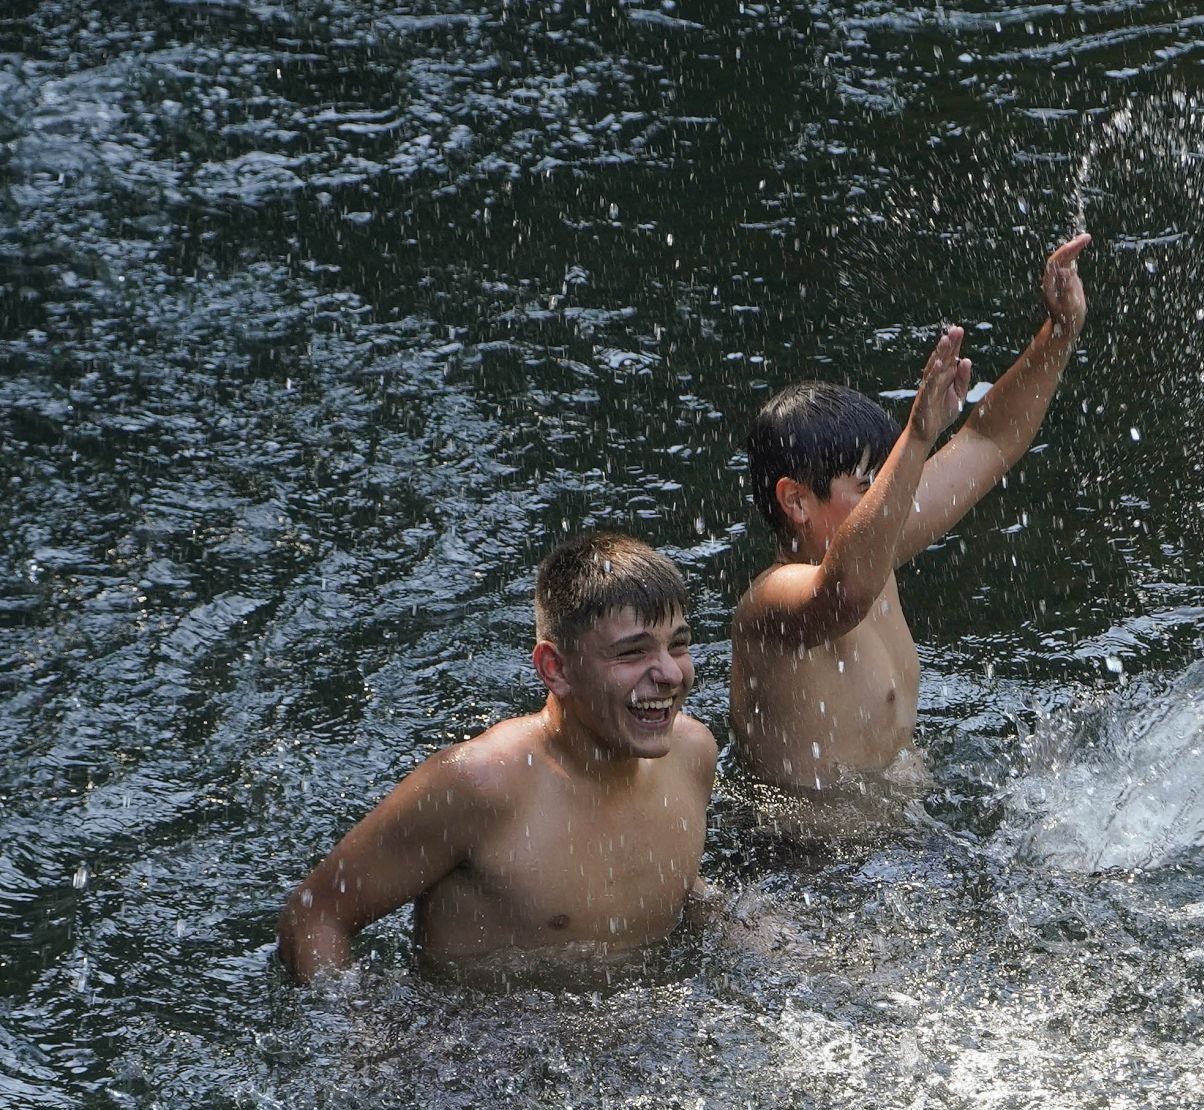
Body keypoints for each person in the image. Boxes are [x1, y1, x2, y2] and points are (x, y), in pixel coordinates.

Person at [730, 233, 1090, 793]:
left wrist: (1061, 330)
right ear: (796, 501)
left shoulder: (878, 550)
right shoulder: (771, 605)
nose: (888, 497)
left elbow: (990, 440)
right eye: (866, 484)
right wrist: (918, 435)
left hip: (904, 840)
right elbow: (842, 592)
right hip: (815, 869)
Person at [276, 531, 719, 982]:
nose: (669, 673)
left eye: (678, 645)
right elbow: (314, 918)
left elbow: (666, 883)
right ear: (557, 669)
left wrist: (767, 941)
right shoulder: (478, 785)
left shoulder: (692, 753)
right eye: (633, 652)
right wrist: (361, 1039)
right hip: (478, 1039)